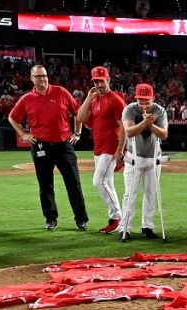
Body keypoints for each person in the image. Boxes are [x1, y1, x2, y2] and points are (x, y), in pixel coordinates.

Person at [8, 64, 89, 231]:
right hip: (40, 146)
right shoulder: (27, 99)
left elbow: (78, 112)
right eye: (38, 76)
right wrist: (23, 134)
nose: (42, 79)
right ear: (31, 79)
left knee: (73, 183)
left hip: (63, 145)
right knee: (45, 185)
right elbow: (12, 118)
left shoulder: (61, 92)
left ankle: (81, 219)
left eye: (44, 75)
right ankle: (51, 219)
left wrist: (78, 133)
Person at [75, 65, 127, 234]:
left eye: (101, 81)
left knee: (98, 181)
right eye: (96, 81)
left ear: (108, 80)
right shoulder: (95, 99)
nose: (98, 84)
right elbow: (81, 118)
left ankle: (117, 217)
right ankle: (117, 219)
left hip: (111, 147)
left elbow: (124, 127)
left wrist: (120, 150)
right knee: (108, 183)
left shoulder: (115, 100)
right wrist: (88, 98)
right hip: (98, 147)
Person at [117, 83, 168, 243]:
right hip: (134, 157)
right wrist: (145, 123)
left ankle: (147, 227)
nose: (144, 106)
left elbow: (164, 135)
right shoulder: (130, 109)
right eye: (141, 102)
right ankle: (124, 228)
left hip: (153, 158)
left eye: (147, 102)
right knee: (129, 195)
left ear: (153, 98)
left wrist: (151, 124)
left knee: (151, 194)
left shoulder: (159, 111)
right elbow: (129, 131)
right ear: (136, 99)